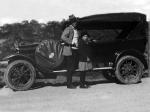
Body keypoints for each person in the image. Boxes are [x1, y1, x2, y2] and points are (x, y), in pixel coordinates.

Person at [61, 14, 79, 89]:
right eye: (74, 22)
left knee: (73, 67)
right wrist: (71, 42)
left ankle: (70, 83)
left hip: (74, 50)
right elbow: (62, 37)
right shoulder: (69, 28)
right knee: (70, 68)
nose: (76, 23)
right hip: (69, 50)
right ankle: (69, 84)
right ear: (72, 23)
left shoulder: (75, 29)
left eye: (76, 22)